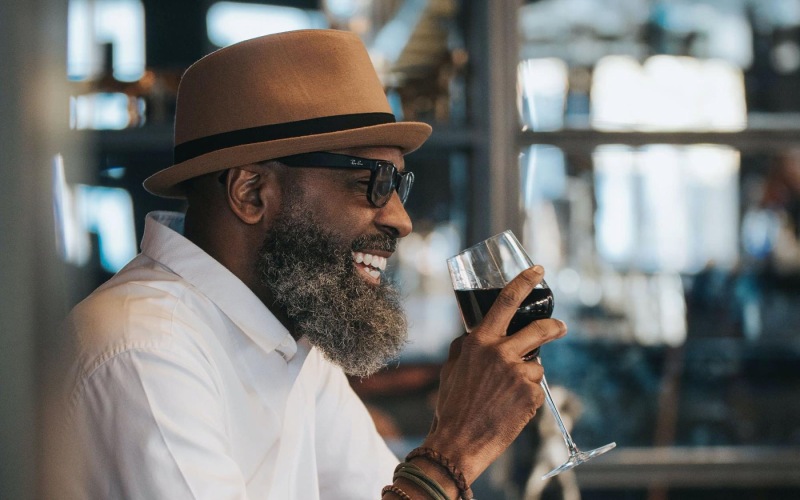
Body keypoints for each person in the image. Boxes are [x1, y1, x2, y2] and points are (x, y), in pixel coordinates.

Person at [55, 29, 566, 499]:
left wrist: (455, 447)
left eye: (399, 185)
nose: (401, 220)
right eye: (373, 181)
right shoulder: (146, 348)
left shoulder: (288, 338)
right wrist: (452, 450)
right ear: (251, 191)